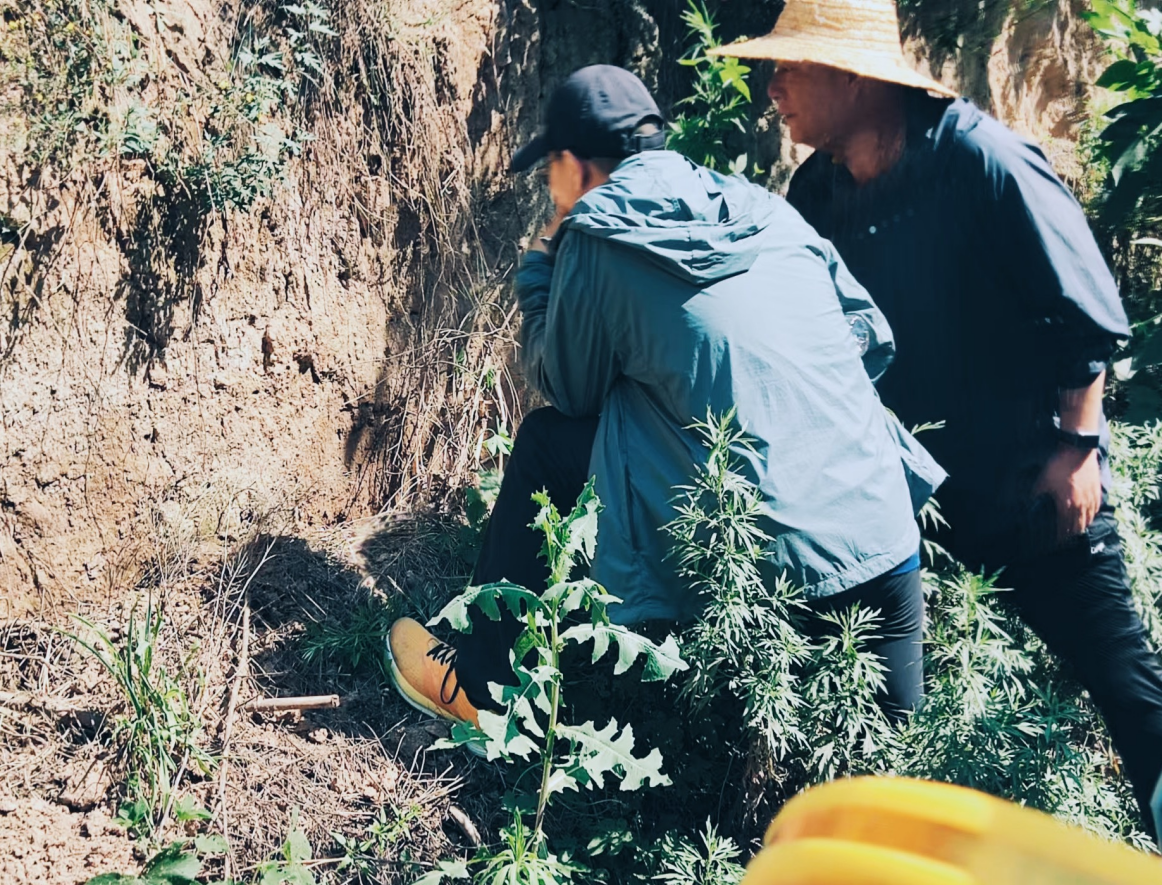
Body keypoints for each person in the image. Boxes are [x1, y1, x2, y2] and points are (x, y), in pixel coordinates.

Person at [711, 0, 1162, 836]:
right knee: (876, 726)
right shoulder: (815, 192)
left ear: (850, 75)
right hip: (905, 510)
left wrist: (1076, 448)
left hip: (1036, 498)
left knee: (1132, 694)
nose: (770, 83)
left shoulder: (986, 163)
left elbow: (1087, 316)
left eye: (789, 64)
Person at [386, 64, 941, 736]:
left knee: (544, 443)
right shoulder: (758, 205)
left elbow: (567, 386)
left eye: (551, 172)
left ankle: (478, 684)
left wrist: (543, 263)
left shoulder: (597, 233)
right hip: (887, 536)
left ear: (573, 166)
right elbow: (866, 336)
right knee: (889, 775)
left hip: (764, 567)